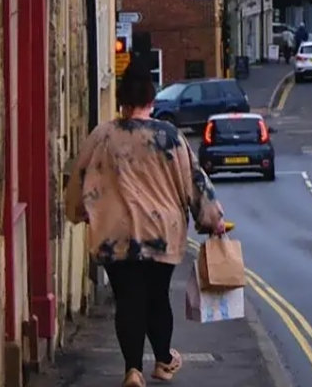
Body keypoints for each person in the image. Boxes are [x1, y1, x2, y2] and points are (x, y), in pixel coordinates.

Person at [66, 68, 225, 387]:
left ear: (122, 101)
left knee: (127, 299)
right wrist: (212, 220)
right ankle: (164, 361)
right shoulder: (169, 136)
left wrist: (78, 211)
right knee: (156, 297)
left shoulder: (103, 135)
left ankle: (132, 369)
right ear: (152, 100)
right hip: (161, 234)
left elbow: (78, 176)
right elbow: (194, 181)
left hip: (115, 234)